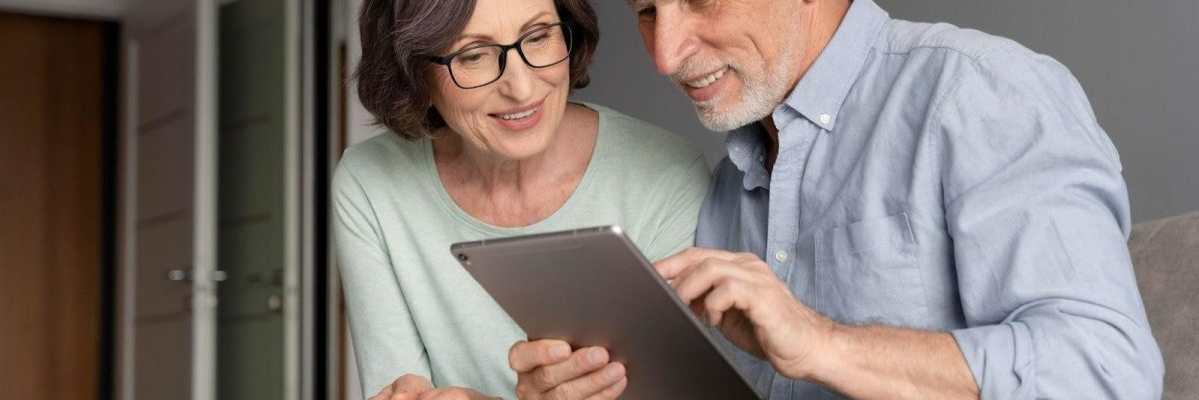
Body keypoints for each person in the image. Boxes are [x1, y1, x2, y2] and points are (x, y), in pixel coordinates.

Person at [509, 0, 1165, 398]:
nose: (665, 54)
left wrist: (822, 344)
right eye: (648, 11)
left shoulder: (978, 92)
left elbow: (1108, 373)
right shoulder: (729, 185)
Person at [332, 0, 711, 398]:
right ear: (412, 72)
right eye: (474, 55)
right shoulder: (370, 185)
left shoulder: (667, 177)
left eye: (539, 36)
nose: (522, 88)